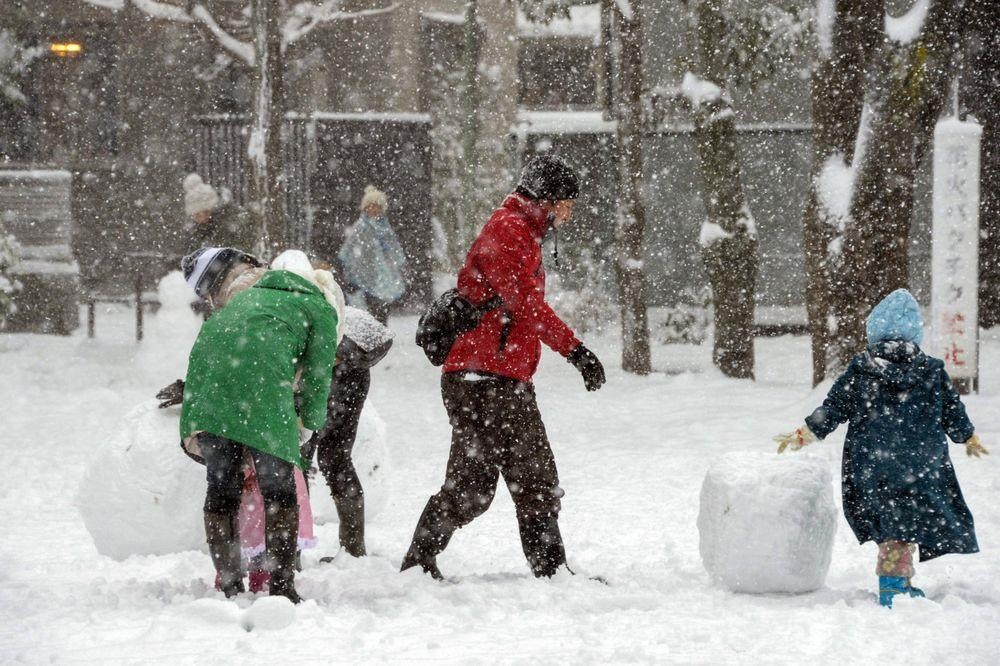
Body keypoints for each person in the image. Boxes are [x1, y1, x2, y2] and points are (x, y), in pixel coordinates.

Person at [400, 154, 607, 581]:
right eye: (565, 204)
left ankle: (418, 564)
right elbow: (525, 306)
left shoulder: (521, 231)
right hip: (487, 380)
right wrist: (576, 351)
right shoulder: (508, 231)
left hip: (485, 377)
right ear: (545, 200)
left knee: (471, 490)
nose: (568, 214)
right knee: (533, 478)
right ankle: (551, 573)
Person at [162, 246, 392, 562]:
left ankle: (289, 556)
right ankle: (352, 547)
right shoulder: (279, 274)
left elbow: (246, 356)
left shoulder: (242, 288)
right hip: (348, 365)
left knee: (291, 465)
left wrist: (198, 389)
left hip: (309, 371)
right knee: (337, 458)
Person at [774, 289, 988, 608]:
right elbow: (952, 409)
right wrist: (967, 436)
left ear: (874, 332)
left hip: (872, 464)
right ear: (915, 332)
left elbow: (834, 407)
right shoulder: (930, 371)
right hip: (921, 464)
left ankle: (896, 584)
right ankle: (894, 586)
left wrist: (805, 432)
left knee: (891, 524)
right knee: (905, 522)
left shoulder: (861, 370)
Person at [179, 249, 341, 603]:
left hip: (209, 398)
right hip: (264, 400)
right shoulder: (318, 307)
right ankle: (282, 585)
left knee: (221, 494)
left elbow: (205, 353)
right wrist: (309, 423)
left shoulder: (247, 300)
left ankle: (230, 582)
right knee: (279, 493)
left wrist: (191, 421)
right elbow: (318, 377)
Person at [337, 185, 407, 324]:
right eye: (370, 206)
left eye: (377, 206)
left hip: (384, 275)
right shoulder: (361, 226)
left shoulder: (385, 227)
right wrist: (347, 264)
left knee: (382, 308)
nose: (373, 209)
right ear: (365, 208)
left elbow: (394, 247)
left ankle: (381, 334)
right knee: (370, 308)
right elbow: (349, 249)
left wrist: (397, 262)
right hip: (365, 272)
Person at [182, 173, 255, 252]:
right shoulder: (197, 230)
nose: (200, 218)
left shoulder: (228, 222)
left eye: (203, 212)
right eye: (195, 215)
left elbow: (241, 249)